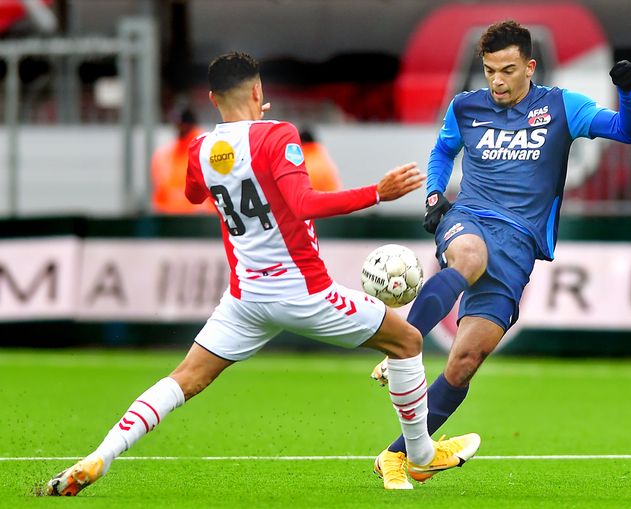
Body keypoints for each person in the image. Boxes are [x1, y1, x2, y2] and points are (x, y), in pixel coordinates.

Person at [45, 51, 480, 496]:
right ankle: (420, 455)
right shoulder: (277, 134)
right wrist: (377, 192)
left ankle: (101, 455)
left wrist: (234, 152)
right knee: (407, 341)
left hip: (245, 299)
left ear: (213, 99)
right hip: (304, 292)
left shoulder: (199, 149)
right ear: (258, 91)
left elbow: (194, 194)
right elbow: (303, 203)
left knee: (185, 378)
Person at [371, 20, 631, 486]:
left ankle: (398, 456)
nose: (496, 81)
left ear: (530, 67)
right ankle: (401, 342)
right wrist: (435, 195)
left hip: (519, 247)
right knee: (469, 258)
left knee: (464, 363)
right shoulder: (466, 106)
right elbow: (443, 151)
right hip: (470, 219)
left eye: (507, 70)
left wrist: (628, 92)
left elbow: (628, 131)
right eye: (489, 70)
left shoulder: (562, 107)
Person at [150, 107, 213, 214]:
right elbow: (161, 192)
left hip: (200, 217)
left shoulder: (205, 149)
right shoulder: (164, 154)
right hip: (171, 216)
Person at [299, 127, 342, 191]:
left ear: (302, 141)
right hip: (332, 194)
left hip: (315, 193)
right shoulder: (321, 155)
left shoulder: (304, 157)